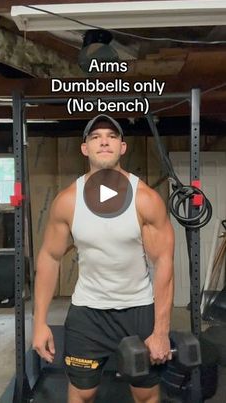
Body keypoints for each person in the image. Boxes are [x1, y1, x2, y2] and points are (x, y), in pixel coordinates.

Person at [33, 114, 174, 403]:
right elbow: (49, 257)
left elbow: (164, 264)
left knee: (146, 394)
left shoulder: (145, 199)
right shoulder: (68, 201)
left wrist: (161, 331)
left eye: (111, 136)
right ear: (85, 149)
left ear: (122, 147)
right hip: (88, 314)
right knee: (82, 394)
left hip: (138, 310)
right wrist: (39, 323)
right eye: (95, 137)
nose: (104, 141)